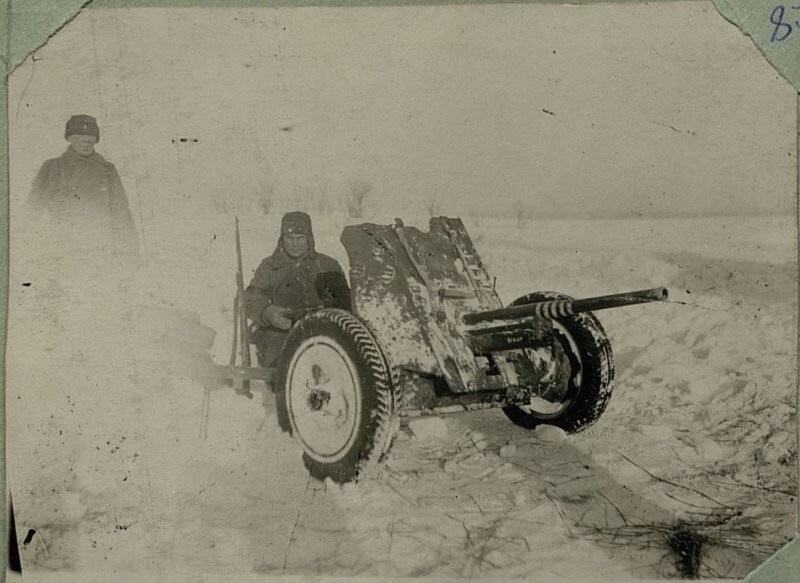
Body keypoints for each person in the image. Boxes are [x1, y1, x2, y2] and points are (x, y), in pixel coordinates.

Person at [245, 211, 351, 367]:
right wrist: (268, 312)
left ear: (309, 239)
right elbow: (251, 297)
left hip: (318, 334)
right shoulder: (269, 266)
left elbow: (344, 303)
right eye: (289, 238)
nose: (294, 244)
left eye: (300, 238)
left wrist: (320, 313)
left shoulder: (327, 265)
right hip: (278, 335)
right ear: (282, 240)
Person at [28, 114, 139, 260]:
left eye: (91, 135)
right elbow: (31, 211)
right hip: (62, 249)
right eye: (79, 134)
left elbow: (121, 213)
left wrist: (130, 253)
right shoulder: (52, 168)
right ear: (69, 137)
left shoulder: (107, 169)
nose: (86, 140)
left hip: (101, 250)